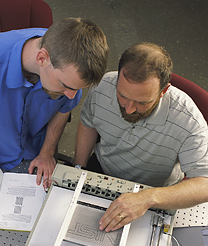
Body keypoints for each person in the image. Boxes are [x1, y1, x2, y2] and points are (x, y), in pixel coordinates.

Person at [0, 18, 108, 188]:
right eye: (66, 87)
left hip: (37, 150)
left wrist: (47, 152)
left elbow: (64, 108)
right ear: (42, 58)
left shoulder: (70, 72)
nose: (72, 96)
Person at [74, 42, 208, 232]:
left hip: (155, 192)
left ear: (163, 91)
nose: (129, 109)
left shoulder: (188, 119)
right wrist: (79, 170)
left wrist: (147, 197)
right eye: (122, 96)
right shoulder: (103, 85)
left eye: (142, 102)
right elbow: (88, 123)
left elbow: (204, 183)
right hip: (103, 172)